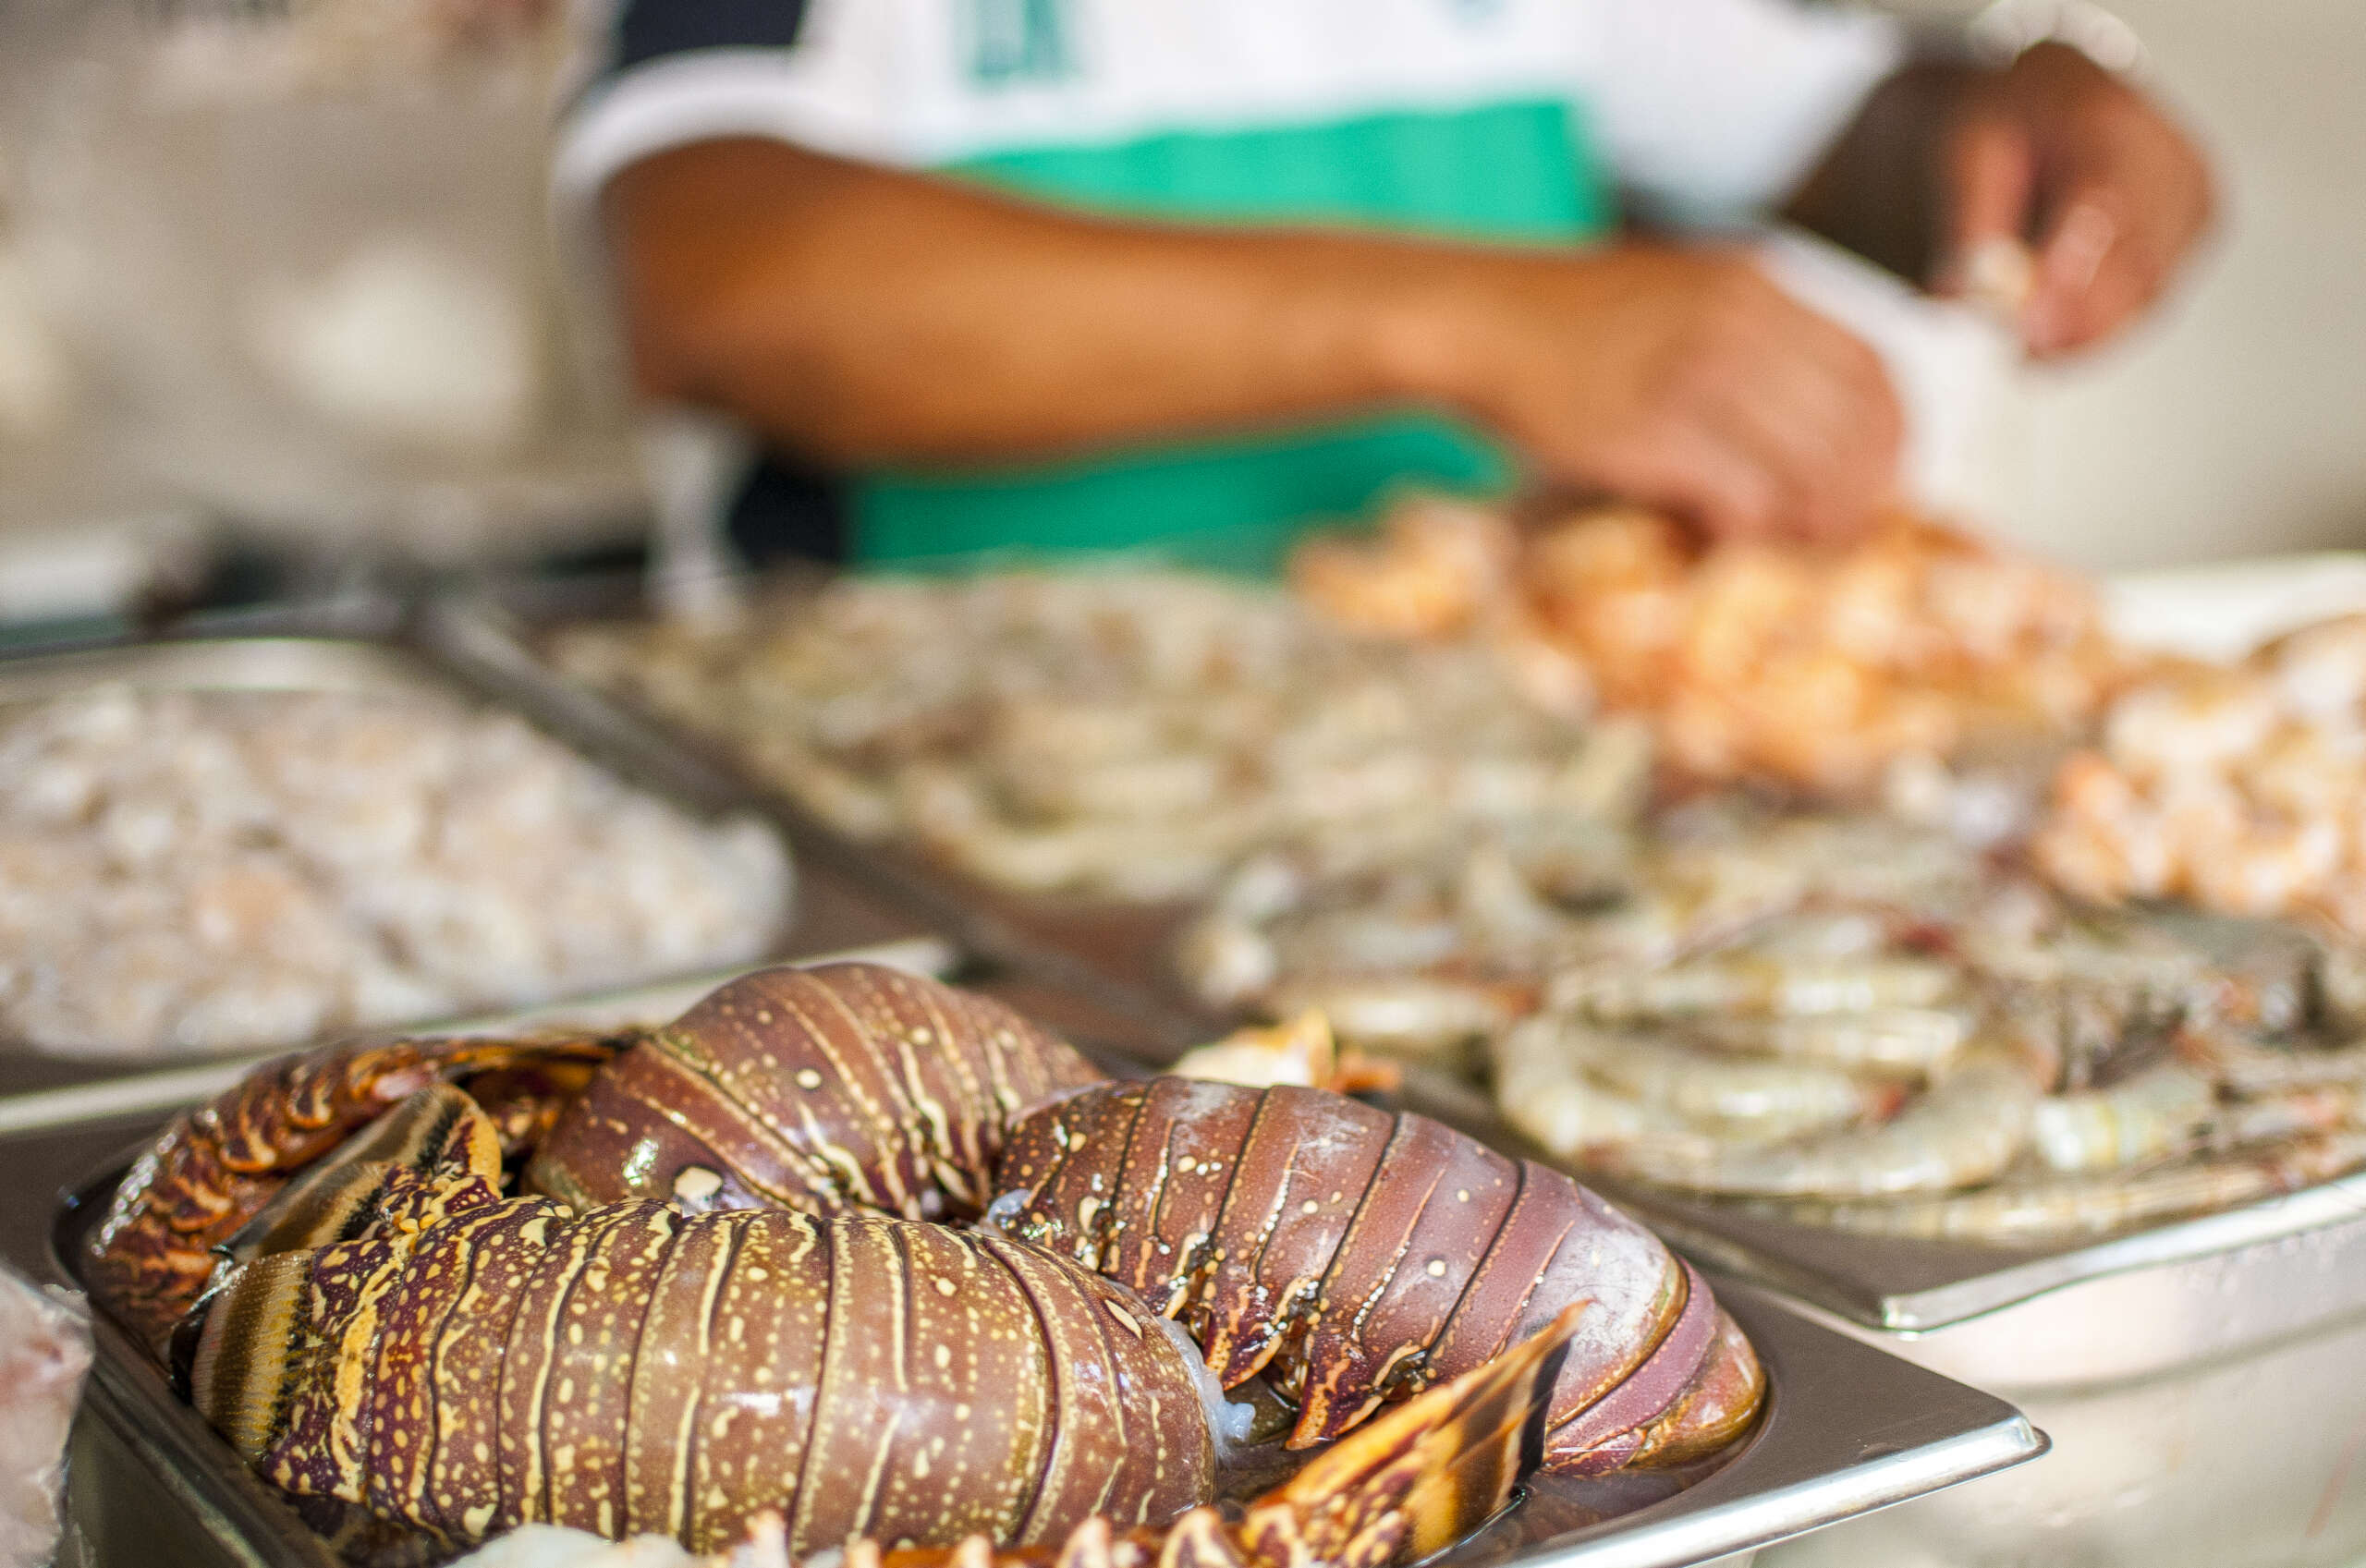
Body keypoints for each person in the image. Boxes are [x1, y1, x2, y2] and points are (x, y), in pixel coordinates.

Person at [561, 0, 2212, 570]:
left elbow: (1850, 128)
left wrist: (2041, 110)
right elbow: (723, 279)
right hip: (948, 830)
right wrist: (1479, 320)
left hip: (1464, 782)